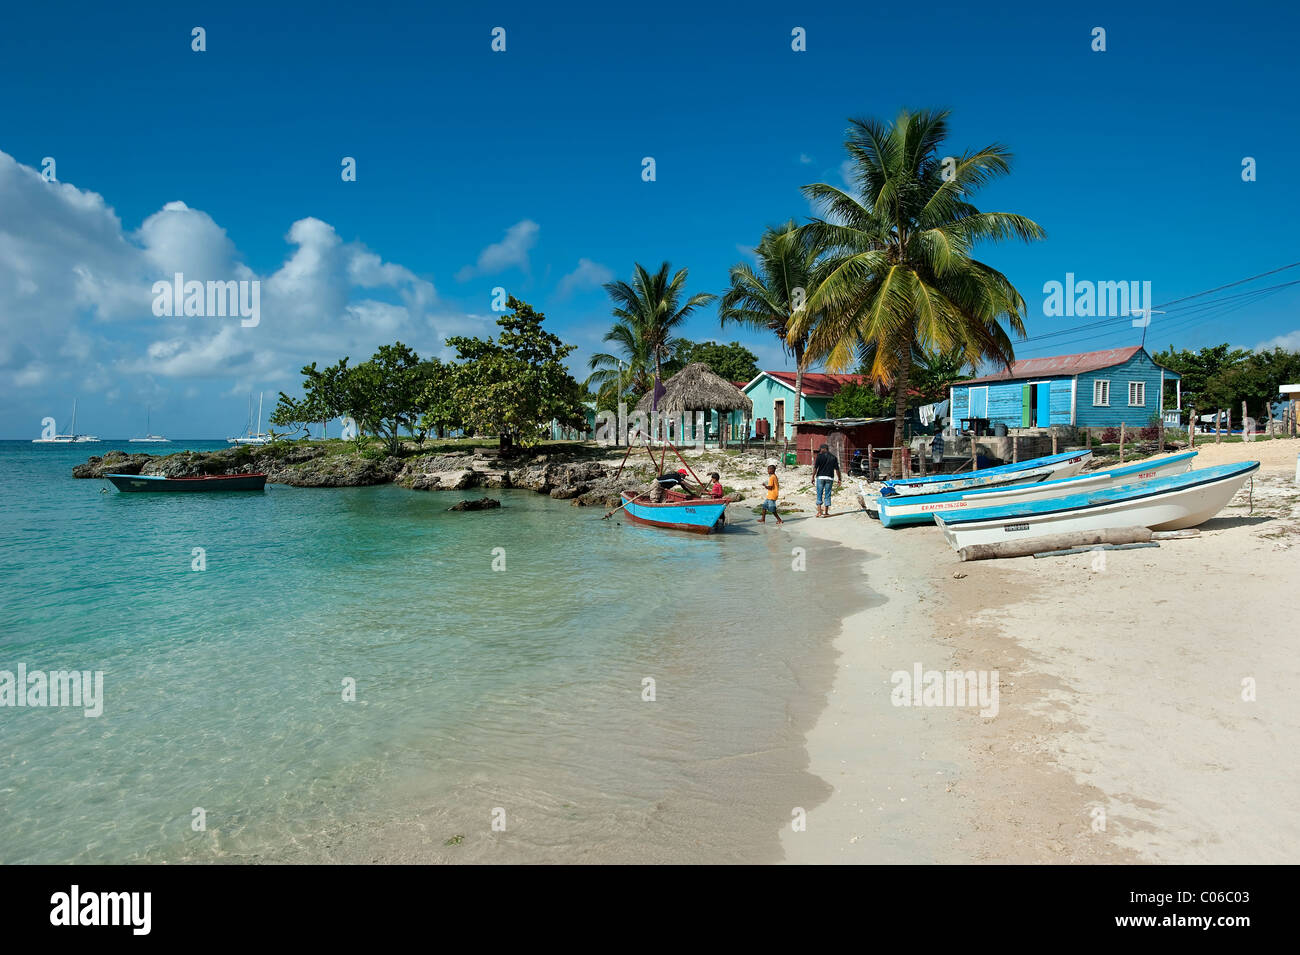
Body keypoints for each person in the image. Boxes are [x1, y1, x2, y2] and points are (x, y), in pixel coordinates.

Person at [812, 443, 842, 518]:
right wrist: (839, 479)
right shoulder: (833, 457)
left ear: (823, 449)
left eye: (820, 449)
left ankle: (819, 512)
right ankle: (826, 512)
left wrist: (812, 477)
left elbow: (815, 468)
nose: (820, 451)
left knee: (819, 494)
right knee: (827, 494)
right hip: (829, 478)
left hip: (820, 477)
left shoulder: (819, 457)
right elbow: (837, 469)